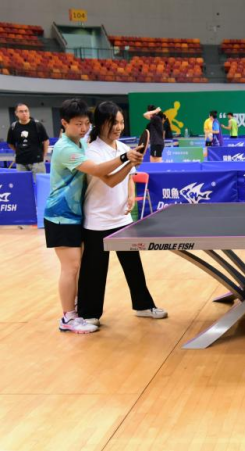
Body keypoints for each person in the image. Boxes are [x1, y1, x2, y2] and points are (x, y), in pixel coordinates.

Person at [44, 98, 143, 334]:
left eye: (86, 123)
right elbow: (98, 170)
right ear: (64, 123)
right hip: (61, 216)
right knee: (71, 267)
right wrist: (125, 157)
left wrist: (126, 164)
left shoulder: (80, 143)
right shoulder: (66, 148)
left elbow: (110, 175)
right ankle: (68, 317)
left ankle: (76, 310)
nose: (83, 128)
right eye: (78, 124)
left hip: (76, 215)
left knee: (77, 267)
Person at [77, 102, 167, 326]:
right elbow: (109, 180)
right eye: (113, 122)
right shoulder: (91, 150)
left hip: (122, 218)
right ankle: (89, 314)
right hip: (97, 219)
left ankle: (143, 306)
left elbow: (128, 177)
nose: (119, 127)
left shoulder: (122, 147)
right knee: (95, 269)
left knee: (133, 265)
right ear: (101, 123)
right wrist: (128, 160)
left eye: (121, 122)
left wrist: (130, 195)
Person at [6, 103, 49, 178]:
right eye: (21, 111)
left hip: (37, 161)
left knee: (38, 183)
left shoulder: (37, 125)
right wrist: (18, 150)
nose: (24, 113)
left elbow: (46, 141)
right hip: (21, 162)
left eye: (26, 111)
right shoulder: (13, 127)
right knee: (23, 183)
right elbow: (10, 143)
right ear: (16, 113)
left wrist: (44, 155)